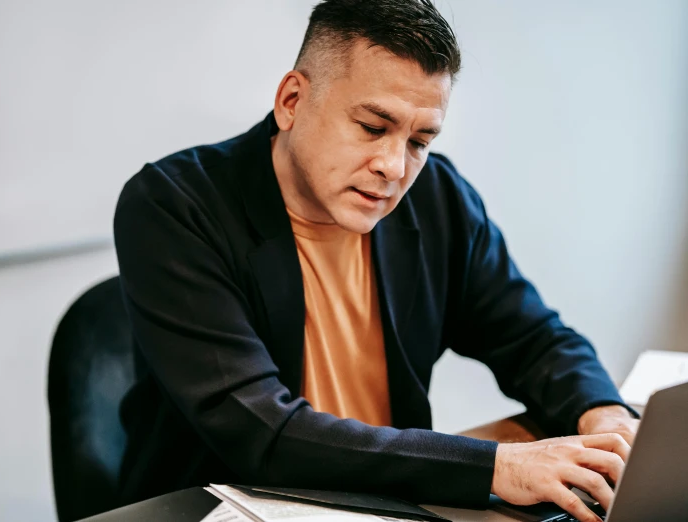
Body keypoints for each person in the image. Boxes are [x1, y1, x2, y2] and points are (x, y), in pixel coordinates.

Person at [113, 2, 639, 521]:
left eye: (419, 140)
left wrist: (603, 415)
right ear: (292, 101)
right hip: (219, 506)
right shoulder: (172, 207)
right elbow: (261, 431)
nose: (393, 166)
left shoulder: (437, 197)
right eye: (371, 127)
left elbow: (531, 339)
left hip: (394, 505)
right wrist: (496, 466)